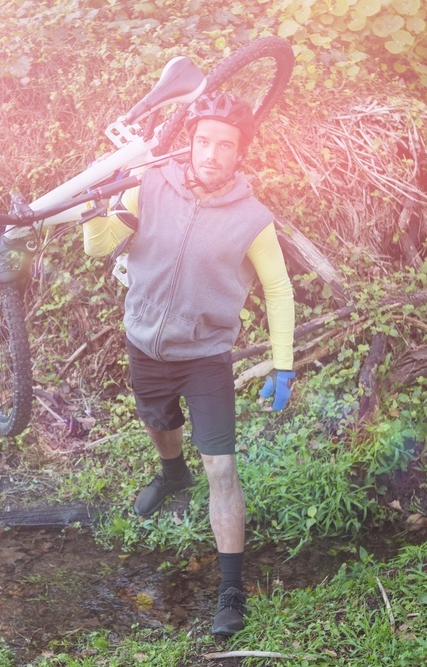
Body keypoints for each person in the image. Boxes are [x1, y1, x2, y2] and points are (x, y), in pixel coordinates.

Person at [83, 91, 296, 636]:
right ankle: (171, 474)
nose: (213, 154)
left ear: (240, 152)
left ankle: (231, 589)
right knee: (159, 422)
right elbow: (102, 245)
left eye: (226, 145)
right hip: (145, 345)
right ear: (191, 141)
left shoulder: (253, 218)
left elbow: (276, 288)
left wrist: (283, 362)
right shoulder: (150, 183)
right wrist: (94, 209)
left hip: (204, 357)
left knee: (221, 468)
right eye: (205, 141)